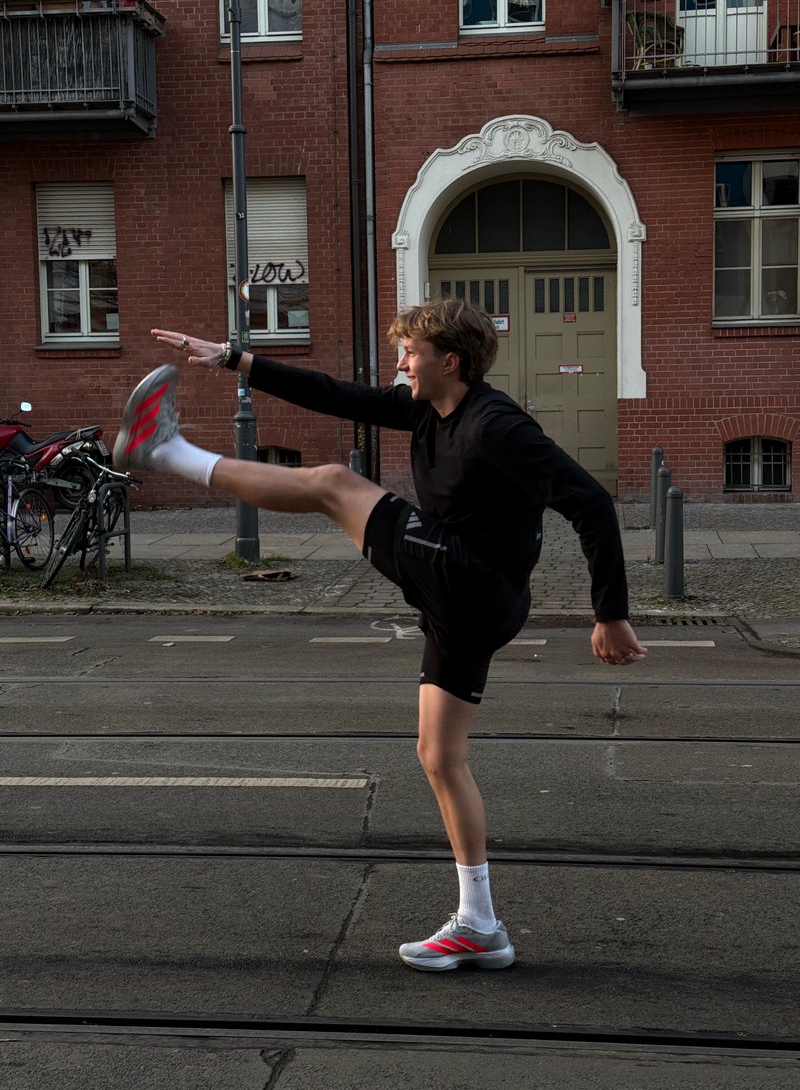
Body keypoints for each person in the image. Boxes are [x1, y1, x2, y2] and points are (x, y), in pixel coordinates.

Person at [113, 298, 646, 972]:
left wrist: (610, 613)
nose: (401, 364)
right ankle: (480, 924)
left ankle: (166, 451)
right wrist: (233, 358)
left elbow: (590, 500)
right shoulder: (425, 408)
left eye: (411, 353)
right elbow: (335, 395)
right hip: (466, 600)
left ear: (451, 361)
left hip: (473, 581)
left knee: (334, 484)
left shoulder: (497, 425)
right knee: (439, 755)